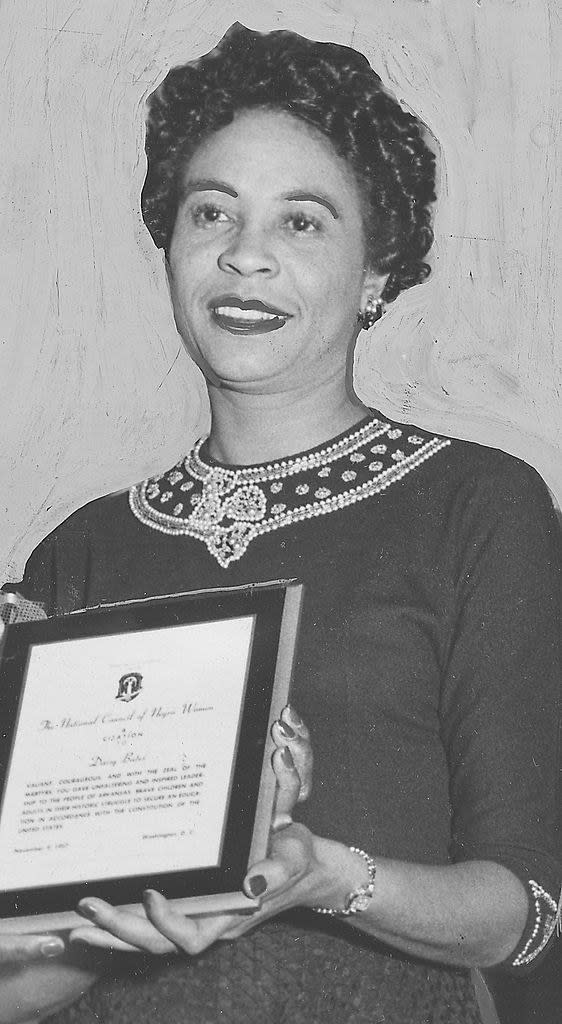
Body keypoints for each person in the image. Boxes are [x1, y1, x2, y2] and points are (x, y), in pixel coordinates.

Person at [1, 23, 561, 1024]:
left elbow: (529, 912)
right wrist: (101, 935)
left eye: (302, 223)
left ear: (378, 271)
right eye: (211, 211)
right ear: (169, 247)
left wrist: (322, 875)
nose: (245, 255)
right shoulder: (74, 554)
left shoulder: (479, 507)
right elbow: (25, 985)